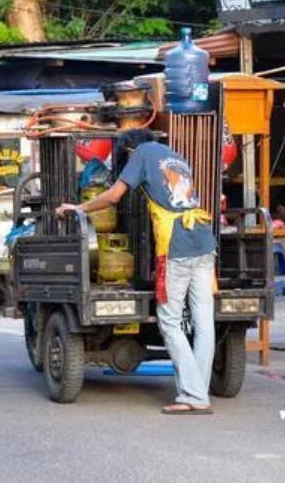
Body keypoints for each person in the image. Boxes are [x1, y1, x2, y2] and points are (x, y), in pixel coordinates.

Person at [57, 129, 217, 415]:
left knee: (169, 321)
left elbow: (114, 196)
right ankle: (198, 392)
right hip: (204, 241)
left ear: (128, 151)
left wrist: (78, 207)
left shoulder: (140, 153)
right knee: (203, 321)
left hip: (177, 245)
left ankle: (193, 394)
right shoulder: (177, 157)